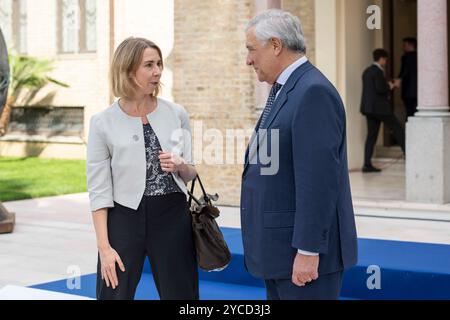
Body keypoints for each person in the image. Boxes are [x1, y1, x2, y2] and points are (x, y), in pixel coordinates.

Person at [241, 9, 358, 300]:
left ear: (276, 46)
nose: (248, 60)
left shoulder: (312, 92)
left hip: (302, 258)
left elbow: (318, 181)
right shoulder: (285, 89)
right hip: (279, 254)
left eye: (251, 50)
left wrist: (308, 250)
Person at [86, 37, 199, 300]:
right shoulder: (102, 123)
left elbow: (192, 173)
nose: (158, 71)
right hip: (123, 217)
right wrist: (104, 247)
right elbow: (99, 190)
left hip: (172, 216)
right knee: (113, 293)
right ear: (127, 70)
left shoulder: (177, 113)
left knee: (182, 295)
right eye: (149, 65)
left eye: (159, 63)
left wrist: (181, 165)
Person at [360, 49, 406, 173]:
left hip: (369, 109)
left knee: (371, 136)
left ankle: (367, 164)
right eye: (385, 59)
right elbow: (381, 89)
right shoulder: (378, 71)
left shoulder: (366, 71)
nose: (386, 62)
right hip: (381, 109)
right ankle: (408, 154)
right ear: (381, 59)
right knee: (397, 128)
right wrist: (393, 85)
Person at [394, 37, 418, 119]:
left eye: (404, 45)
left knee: (409, 113)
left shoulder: (406, 57)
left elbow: (404, 71)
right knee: (416, 113)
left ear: (409, 45)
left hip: (408, 91)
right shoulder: (420, 56)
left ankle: (410, 131)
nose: (403, 47)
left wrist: (398, 80)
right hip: (419, 91)